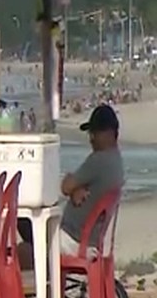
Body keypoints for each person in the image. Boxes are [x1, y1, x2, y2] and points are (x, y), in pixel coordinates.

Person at [19, 104, 123, 256]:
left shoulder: (99, 160)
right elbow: (72, 188)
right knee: (26, 245)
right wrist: (75, 189)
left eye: (95, 133)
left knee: (23, 220)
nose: (91, 139)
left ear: (110, 133)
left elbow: (65, 186)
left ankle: (44, 270)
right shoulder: (116, 160)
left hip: (74, 241)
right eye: (91, 133)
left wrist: (72, 188)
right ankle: (42, 266)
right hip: (90, 241)